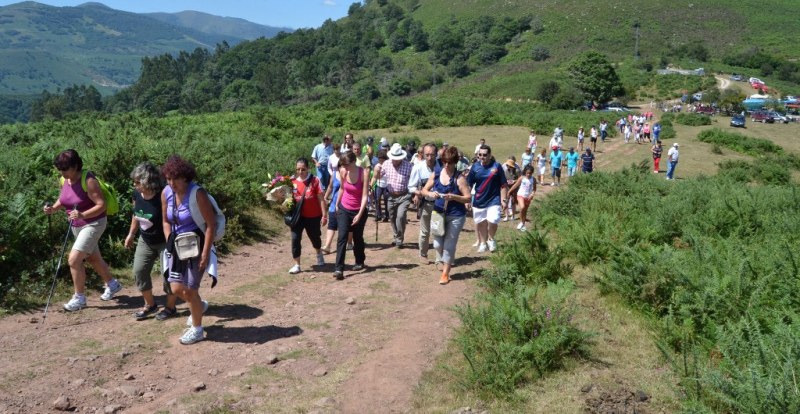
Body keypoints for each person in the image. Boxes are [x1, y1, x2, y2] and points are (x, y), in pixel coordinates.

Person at [43, 149, 123, 312]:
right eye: (60, 169)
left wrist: (82, 214)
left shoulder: (89, 179)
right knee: (93, 258)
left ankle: (79, 298)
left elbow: (102, 205)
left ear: (75, 166)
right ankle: (113, 284)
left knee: (74, 260)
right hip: (77, 225)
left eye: (65, 169)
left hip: (93, 224)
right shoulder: (64, 179)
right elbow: (63, 198)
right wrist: (53, 208)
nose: (62, 172)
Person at [160, 155, 217, 345]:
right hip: (176, 245)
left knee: (191, 289)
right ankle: (198, 306)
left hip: (197, 244)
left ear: (185, 177)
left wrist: (205, 252)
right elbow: (165, 220)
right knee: (175, 287)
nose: (171, 183)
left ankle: (197, 329)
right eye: (168, 178)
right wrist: (169, 240)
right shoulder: (166, 193)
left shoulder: (197, 193)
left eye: (175, 178)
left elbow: (211, 224)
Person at [124, 161, 177, 321]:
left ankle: (170, 307)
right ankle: (150, 304)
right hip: (145, 239)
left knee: (168, 275)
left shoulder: (163, 194)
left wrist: (171, 243)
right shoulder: (136, 194)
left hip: (164, 241)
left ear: (148, 181)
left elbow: (170, 219)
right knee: (139, 271)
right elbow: (136, 214)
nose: (135, 185)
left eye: (138, 182)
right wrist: (131, 234)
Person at [420, 146, 472, 285]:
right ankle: (445, 260)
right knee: (437, 244)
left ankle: (445, 273)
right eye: (445, 162)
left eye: (450, 162)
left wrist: (454, 197)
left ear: (455, 162)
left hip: (456, 215)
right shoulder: (436, 174)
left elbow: (468, 198)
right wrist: (430, 194)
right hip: (438, 213)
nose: (447, 165)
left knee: (449, 244)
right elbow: (424, 190)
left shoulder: (459, 178)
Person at [288, 158, 328, 274]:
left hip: (313, 216)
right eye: (298, 169)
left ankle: (319, 253)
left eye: (303, 169)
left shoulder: (315, 180)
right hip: (297, 216)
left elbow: (321, 199)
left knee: (315, 237)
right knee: (295, 239)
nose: (300, 172)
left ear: (308, 168)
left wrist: (324, 216)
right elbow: (287, 198)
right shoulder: (291, 181)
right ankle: (297, 264)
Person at [334, 151, 369, 280]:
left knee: (357, 237)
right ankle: (339, 268)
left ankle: (359, 261)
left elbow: (365, 196)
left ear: (354, 162)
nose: (344, 167)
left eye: (346, 164)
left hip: (358, 209)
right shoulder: (343, 172)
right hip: (344, 208)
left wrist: (359, 214)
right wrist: (337, 204)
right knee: (342, 237)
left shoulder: (363, 173)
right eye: (342, 165)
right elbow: (342, 189)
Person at [466, 144, 508, 253]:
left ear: (489, 155)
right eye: (480, 155)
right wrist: (467, 199)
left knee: (493, 220)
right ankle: (483, 243)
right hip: (479, 199)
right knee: (481, 223)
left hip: (494, 199)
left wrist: (504, 199)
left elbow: (503, 184)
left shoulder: (497, 166)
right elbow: (469, 184)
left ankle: (491, 239)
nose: (482, 157)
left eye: (485, 155)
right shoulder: (475, 167)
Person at [377, 143, 413, 248]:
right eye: (394, 158)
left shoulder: (408, 166)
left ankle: (399, 239)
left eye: (397, 159)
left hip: (404, 196)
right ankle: (396, 235)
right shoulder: (386, 164)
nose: (395, 160)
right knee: (392, 217)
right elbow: (379, 176)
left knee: (400, 217)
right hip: (391, 196)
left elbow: (414, 180)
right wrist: (376, 173)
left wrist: (415, 194)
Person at [409, 143, 437, 263]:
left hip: (440, 204)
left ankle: (440, 257)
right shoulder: (418, 167)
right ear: (423, 154)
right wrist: (418, 192)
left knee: (439, 231)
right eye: (427, 155)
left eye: (432, 154)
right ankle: (423, 254)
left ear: (436, 154)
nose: (429, 157)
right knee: (425, 231)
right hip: (425, 203)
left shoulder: (442, 166)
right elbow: (411, 186)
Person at [508, 165, 537, 232]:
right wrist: (509, 191)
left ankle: (523, 225)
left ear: (532, 173)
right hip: (520, 195)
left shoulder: (533, 179)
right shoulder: (522, 178)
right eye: (527, 173)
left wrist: (532, 194)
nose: (528, 174)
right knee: (522, 207)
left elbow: (534, 189)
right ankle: (521, 222)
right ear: (525, 172)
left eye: (530, 173)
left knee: (525, 211)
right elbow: (515, 185)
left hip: (528, 197)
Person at [370, 150, 390, 222]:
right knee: (377, 199)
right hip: (379, 185)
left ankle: (387, 216)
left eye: (382, 159)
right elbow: (374, 177)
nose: (381, 160)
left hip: (387, 185)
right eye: (380, 159)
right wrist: (371, 185)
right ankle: (378, 215)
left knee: (386, 200)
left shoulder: (388, 166)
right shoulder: (377, 166)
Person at [502, 156, 521, 221]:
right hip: (506, 186)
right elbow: (502, 178)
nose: (508, 166)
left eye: (509, 165)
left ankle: (513, 216)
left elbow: (520, 179)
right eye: (507, 165)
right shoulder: (504, 169)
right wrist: (506, 181)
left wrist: (514, 181)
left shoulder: (517, 170)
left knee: (513, 201)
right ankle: (506, 216)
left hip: (514, 187)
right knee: (506, 200)